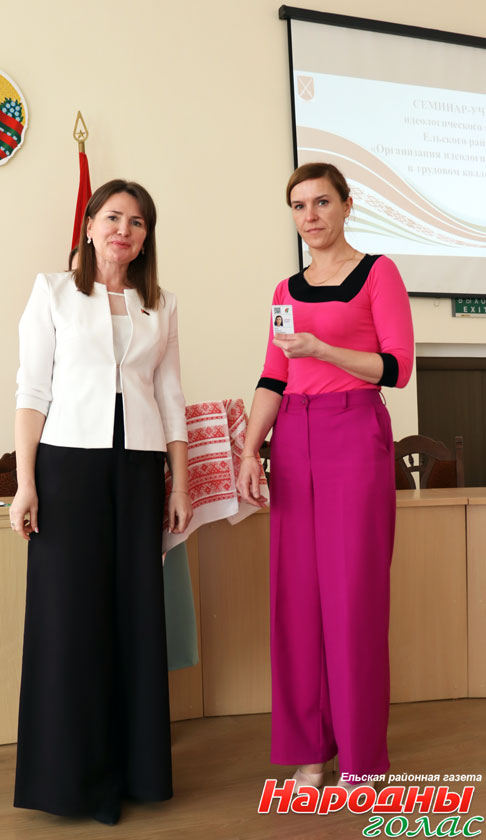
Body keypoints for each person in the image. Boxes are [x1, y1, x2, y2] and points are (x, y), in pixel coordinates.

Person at [10, 179, 192, 825]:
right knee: (70, 617)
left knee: (136, 616)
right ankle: (70, 779)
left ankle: (137, 772)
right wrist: (26, 482)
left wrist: (180, 482)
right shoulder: (53, 291)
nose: (124, 230)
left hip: (139, 471)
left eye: (137, 222)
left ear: (146, 238)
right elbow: (32, 390)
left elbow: (170, 397)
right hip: (68, 468)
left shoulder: (161, 304)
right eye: (113, 217)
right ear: (89, 225)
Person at [237, 162, 414, 791]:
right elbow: (272, 376)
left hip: (354, 434)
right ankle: (310, 752)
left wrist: (322, 349)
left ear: (346, 205)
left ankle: (360, 759)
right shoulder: (285, 291)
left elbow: (397, 368)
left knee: (353, 598)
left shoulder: (379, 273)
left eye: (321, 202)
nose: (309, 216)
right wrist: (249, 451)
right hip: (292, 439)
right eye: (298, 206)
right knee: (297, 600)